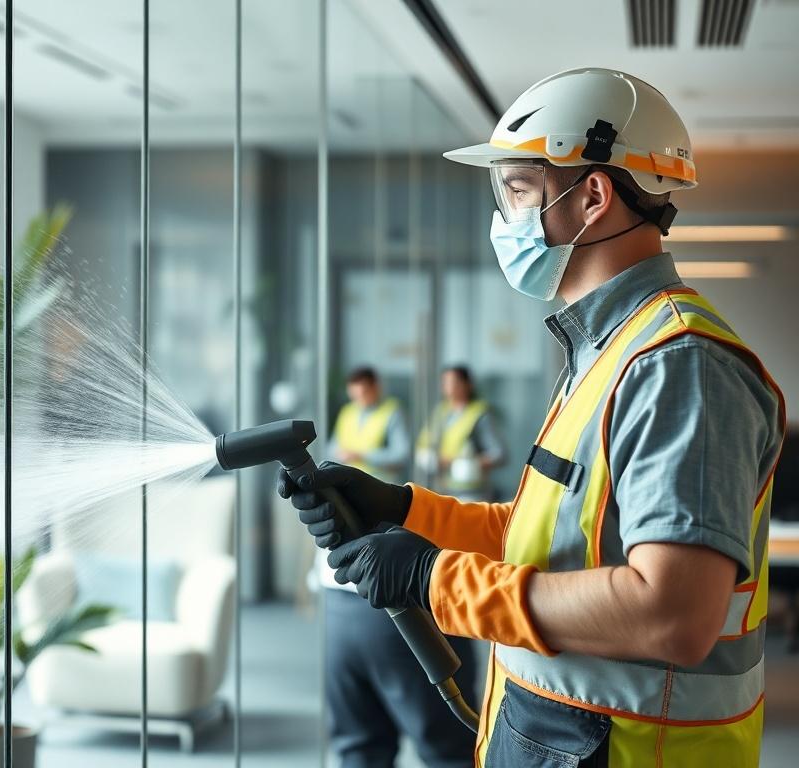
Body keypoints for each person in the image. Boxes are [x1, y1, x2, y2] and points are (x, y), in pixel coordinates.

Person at [280, 68, 785, 767]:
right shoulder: (607, 350)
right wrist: (406, 511)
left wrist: (435, 580)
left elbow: (674, 613)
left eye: (518, 190)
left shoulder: (677, 365)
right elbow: (547, 543)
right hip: (566, 740)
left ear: (592, 197)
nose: (505, 218)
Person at [319, 367, 476, 767]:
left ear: (374, 386)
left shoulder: (395, 413)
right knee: (450, 749)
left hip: (352, 594)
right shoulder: (351, 416)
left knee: (360, 748)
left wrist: (400, 504)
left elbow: (402, 452)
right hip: (385, 593)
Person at [416, 366, 505, 500]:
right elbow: (424, 445)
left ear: (467, 385)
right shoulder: (440, 412)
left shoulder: (479, 414)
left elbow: (498, 454)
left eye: (453, 382)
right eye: (445, 383)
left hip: (471, 493)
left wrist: (463, 463)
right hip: (442, 490)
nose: (448, 387)